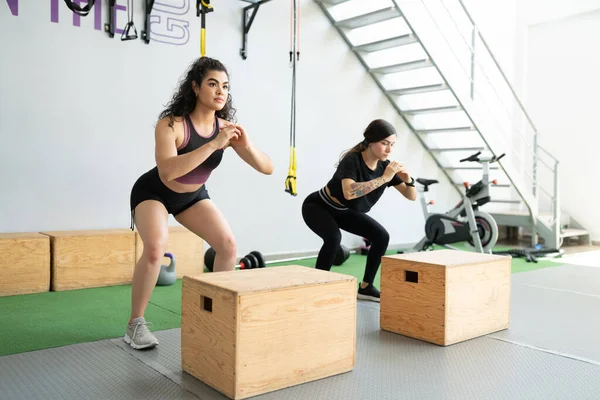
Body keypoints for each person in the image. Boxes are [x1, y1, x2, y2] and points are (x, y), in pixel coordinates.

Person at [126, 57, 274, 350]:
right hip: (154, 191)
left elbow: (267, 168)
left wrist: (247, 146)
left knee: (228, 245)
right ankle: (135, 324)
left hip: (192, 195)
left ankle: (218, 314)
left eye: (225, 86)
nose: (221, 91)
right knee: (155, 248)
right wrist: (214, 144)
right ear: (195, 87)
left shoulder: (227, 129)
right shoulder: (171, 124)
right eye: (212, 84)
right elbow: (168, 171)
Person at [301, 119, 416, 302]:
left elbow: (411, 196)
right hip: (318, 206)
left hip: (343, 211)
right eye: (384, 143)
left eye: (392, 145)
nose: (389, 150)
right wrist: (384, 179)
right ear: (371, 142)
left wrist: (408, 179)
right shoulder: (353, 160)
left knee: (381, 236)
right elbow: (349, 192)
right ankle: (316, 288)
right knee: (333, 238)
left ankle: (366, 287)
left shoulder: (385, 167)